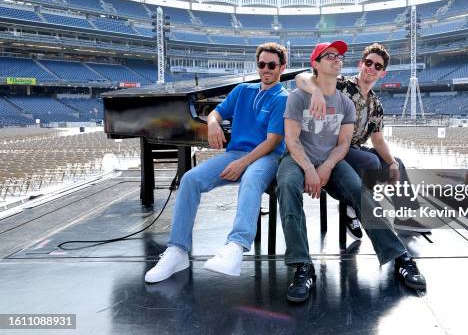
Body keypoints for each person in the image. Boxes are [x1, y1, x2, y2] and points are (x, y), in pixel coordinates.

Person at [277, 40, 426, 303]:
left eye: (339, 56)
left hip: (332, 159)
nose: (337, 59)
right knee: (288, 186)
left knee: (360, 190)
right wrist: (311, 169)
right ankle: (302, 265)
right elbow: (291, 139)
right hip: (299, 159)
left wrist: (327, 165)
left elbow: (344, 143)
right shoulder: (300, 96)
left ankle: (399, 255)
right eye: (329, 56)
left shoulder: (346, 103)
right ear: (316, 64)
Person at [145, 42, 288, 282]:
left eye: (271, 65)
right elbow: (215, 112)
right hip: (235, 154)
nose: (266, 69)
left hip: (267, 157)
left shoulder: (282, 98)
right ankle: (177, 250)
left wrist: (243, 164)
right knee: (190, 179)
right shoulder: (243, 90)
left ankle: (236, 246)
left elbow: (272, 142)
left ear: (282, 68)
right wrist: (213, 123)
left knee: (252, 178)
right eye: (261, 64)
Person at [295, 43, 430, 235]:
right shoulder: (341, 84)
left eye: (378, 66)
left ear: (382, 73)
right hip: (330, 148)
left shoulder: (376, 104)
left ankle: (404, 218)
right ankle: (352, 208)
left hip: (354, 149)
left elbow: (378, 140)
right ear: (361, 64)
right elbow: (301, 78)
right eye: (369, 62)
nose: (372, 68)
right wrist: (316, 91)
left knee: (397, 165)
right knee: (370, 161)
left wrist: (391, 163)